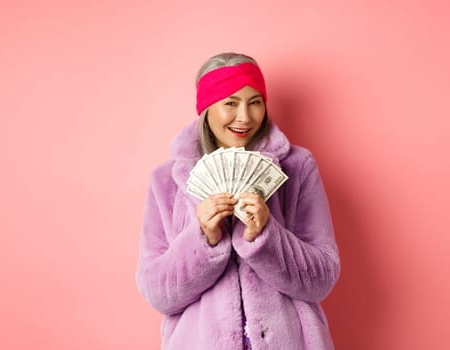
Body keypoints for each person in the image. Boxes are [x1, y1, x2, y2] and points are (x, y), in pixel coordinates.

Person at [135, 52, 341, 349]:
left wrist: (266, 235)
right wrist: (203, 238)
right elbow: (157, 293)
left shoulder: (297, 167)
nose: (245, 117)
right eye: (230, 103)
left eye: (255, 102)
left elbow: (322, 278)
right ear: (207, 108)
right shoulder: (166, 181)